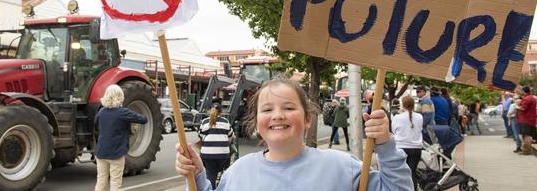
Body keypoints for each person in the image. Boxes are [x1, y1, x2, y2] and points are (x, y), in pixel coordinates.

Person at [175, 78, 413, 191]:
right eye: (267, 110)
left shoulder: (343, 167)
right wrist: (195, 176)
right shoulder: (238, 172)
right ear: (257, 123)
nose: (278, 115)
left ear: (308, 119)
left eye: (289, 108)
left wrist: (385, 144)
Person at [94, 84, 148, 191]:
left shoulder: (101, 112)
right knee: (115, 183)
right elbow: (144, 119)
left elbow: (96, 126)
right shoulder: (123, 112)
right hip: (116, 153)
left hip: (101, 153)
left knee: (101, 181)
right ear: (120, 97)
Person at [198, 102, 234, 189]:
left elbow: (200, 135)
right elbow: (231, 136)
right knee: (223, 171)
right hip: (223, 155)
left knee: (210, 174)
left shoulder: (204, 122)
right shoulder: (225, 122)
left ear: (210, 110)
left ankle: (212, 188)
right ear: (221, 112)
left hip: (207, 154)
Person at [393, 96, 423, 190]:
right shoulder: (419, 117)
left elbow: (394, 131)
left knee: (400, 173)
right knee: (411, 173)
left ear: (402, 105)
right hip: (416, 148)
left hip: (401, 148)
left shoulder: (397, 117)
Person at [517, 86, 537, 155]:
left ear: (524, 91)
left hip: (526, 119)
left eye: (522, 91)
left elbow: (523, 108)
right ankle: (526, 150)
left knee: (526, 135)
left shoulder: (527, 98)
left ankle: (526, 151)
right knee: (527, 135)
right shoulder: (531, 97)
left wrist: (517, 107)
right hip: (530, 119)